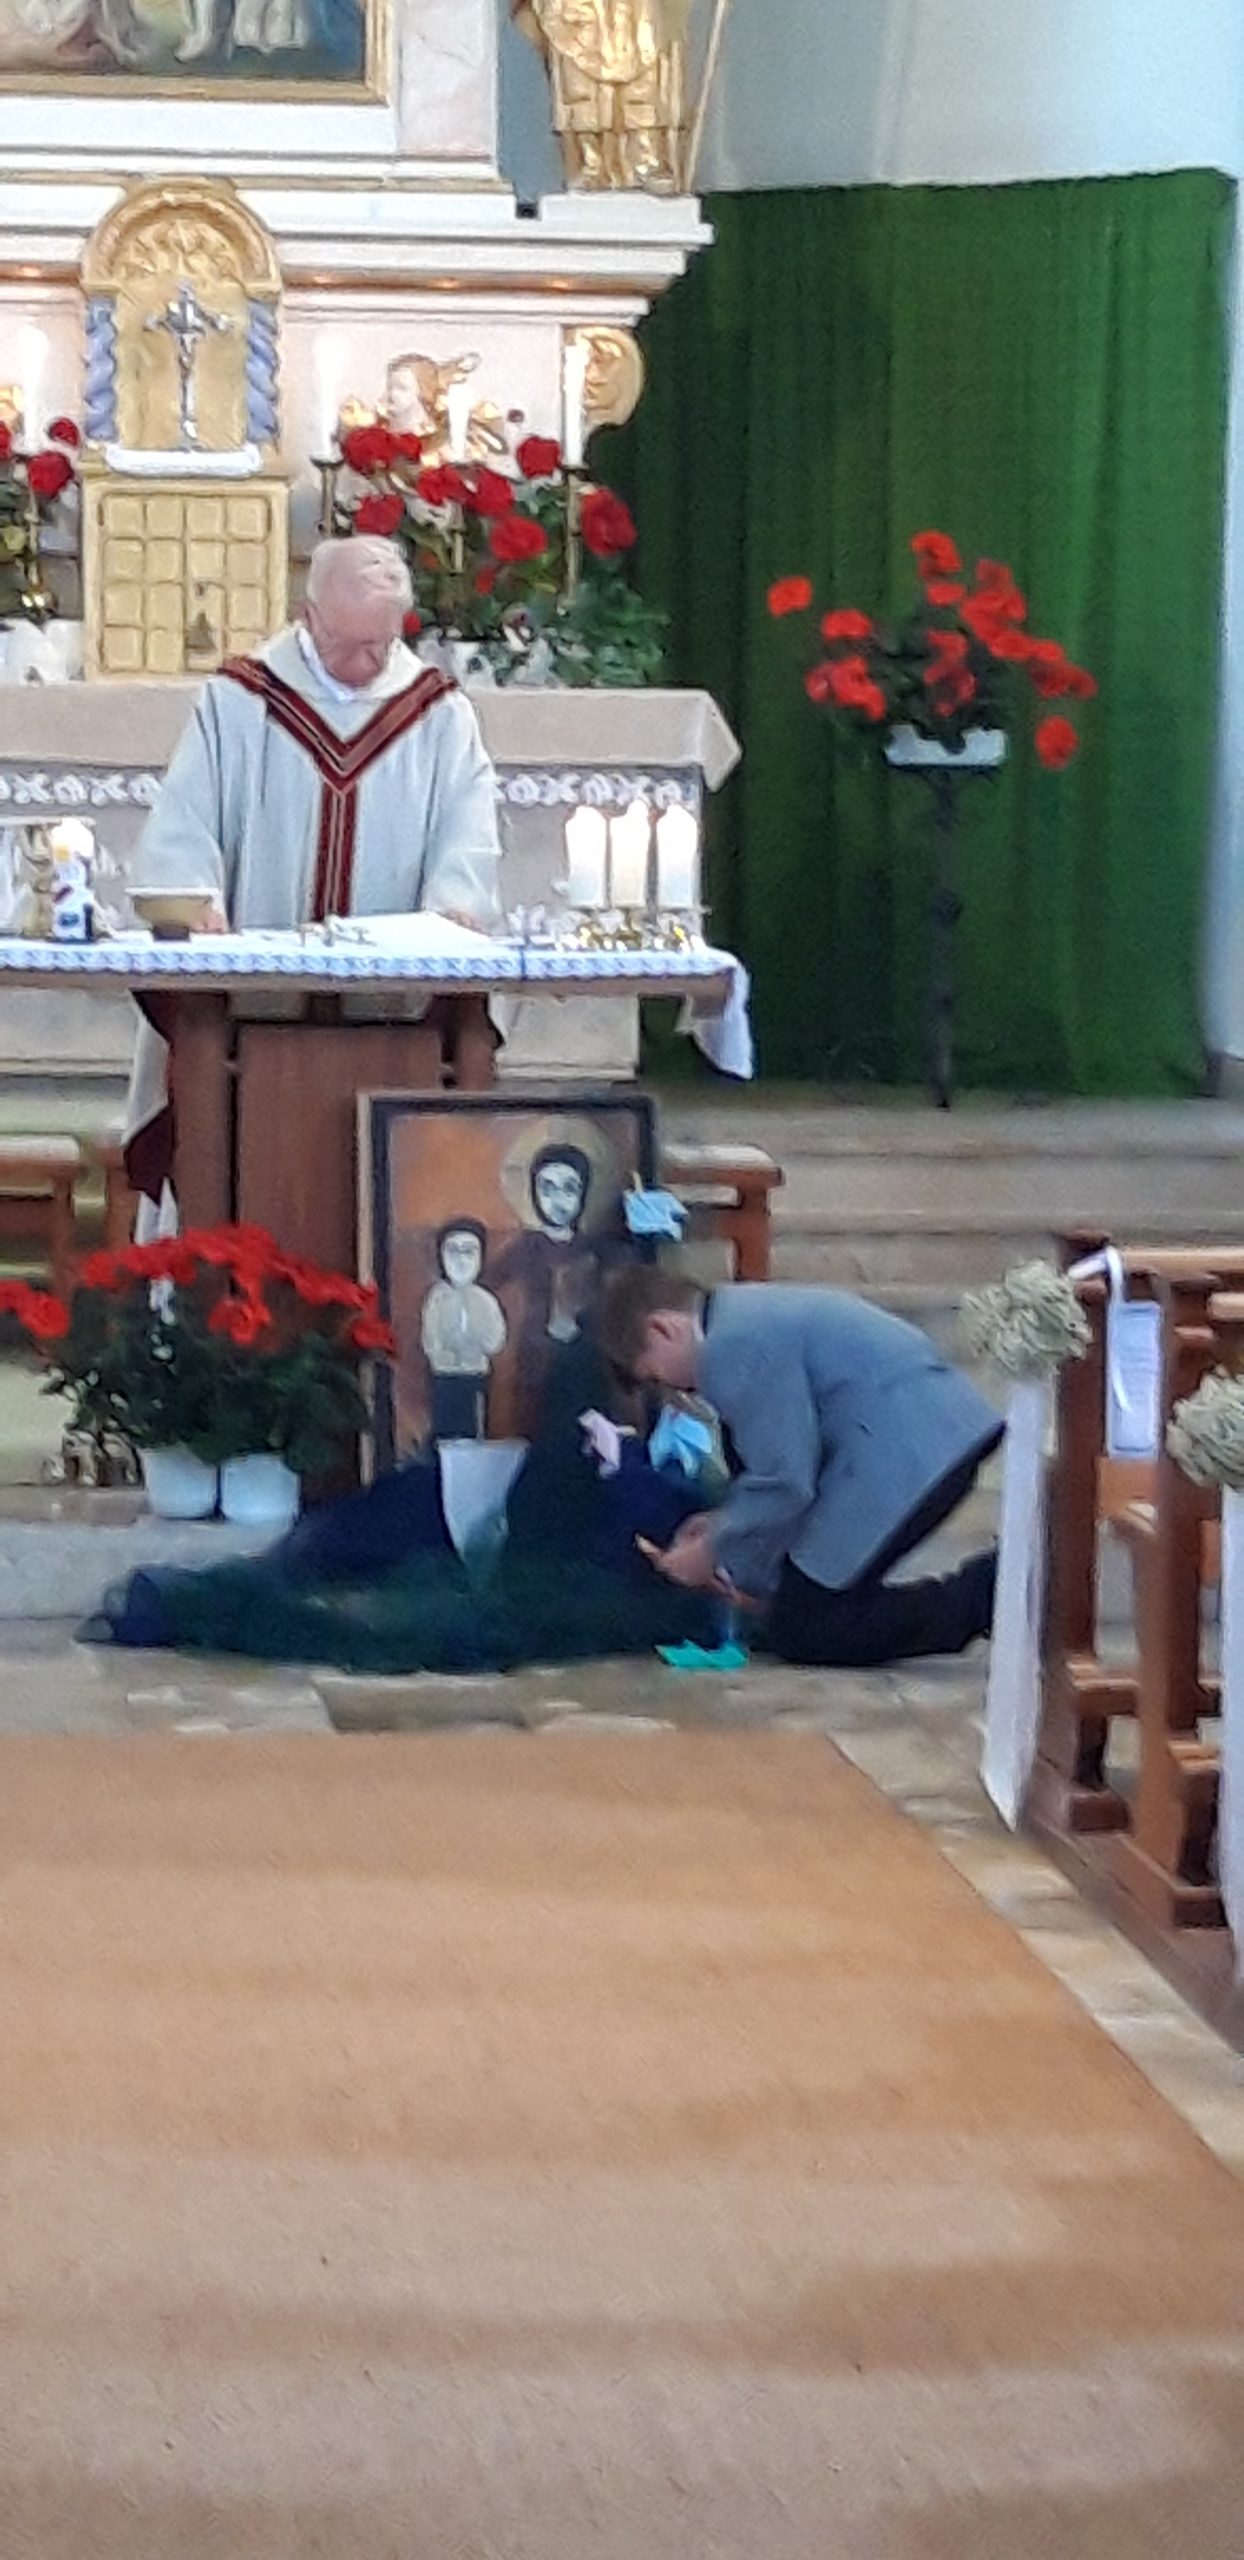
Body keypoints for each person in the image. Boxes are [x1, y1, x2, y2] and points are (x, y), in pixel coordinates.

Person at [123, 535, 502, 1213]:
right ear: (308, 615)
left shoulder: (438, 713)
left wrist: (454, 905)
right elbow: (186, 820)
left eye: (379, 646)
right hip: (247, 1019)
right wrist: (195, 900)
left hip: (395, 1019)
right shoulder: (240, 701)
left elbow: (466, 832)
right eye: (345, 644)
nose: (363, 665)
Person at [599, 1270, 1003, 1668]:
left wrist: (711, 1549)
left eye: (655, 1375)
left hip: (914, 1445)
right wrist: (726, 1524)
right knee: (801, 1610)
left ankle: (991, 1589)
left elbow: (785, 1481)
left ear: (663, 1328)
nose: (670, 1391)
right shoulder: (739, 1317)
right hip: (927, 1431)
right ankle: (990, 1588)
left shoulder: (731, 1345)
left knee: (809, 1625)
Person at [420, 1219, 508, 1443]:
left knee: (474, 1426)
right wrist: (441, 1355)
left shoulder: (486, 1300)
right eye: (453, 1251)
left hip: (476, 1374)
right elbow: (430, 1337)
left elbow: (496, 1339)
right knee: (445, 1428)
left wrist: (475, 1348)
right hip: (444, 1375)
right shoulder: (436, 1298)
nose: (461, 1260)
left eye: (469, 1251)